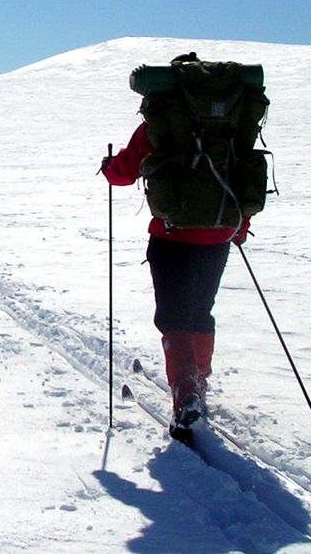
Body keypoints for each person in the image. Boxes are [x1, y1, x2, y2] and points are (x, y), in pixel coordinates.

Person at [101, 102, 250, 442]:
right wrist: (239, 226)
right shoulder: (228, 123)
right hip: (219, 232)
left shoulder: (162, 122)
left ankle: (186, 397)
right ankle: (198, 385)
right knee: (200, 311)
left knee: (174, 316)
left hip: (172, 235)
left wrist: (109, 168)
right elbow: (242, 174)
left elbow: (125, 171)